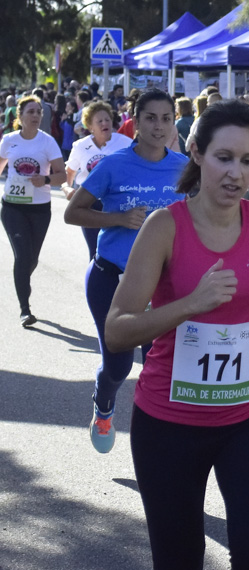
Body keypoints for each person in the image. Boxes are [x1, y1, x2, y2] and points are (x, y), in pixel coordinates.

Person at [102, 99, 249, 570]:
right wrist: (189, 304)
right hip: (170, 423)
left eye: (248, 161)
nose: (236, 173)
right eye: (223, 157)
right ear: (195, 153)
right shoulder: (164, 227)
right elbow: (117, 329)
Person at [64, 89, 189, 453]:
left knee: (158, 366)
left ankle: (156, 440)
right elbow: (73, 212)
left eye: (166, 118)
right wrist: (117, 218)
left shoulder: (182, 167)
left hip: (161, 284)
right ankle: (103, 405)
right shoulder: (114, 164)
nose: (159, 125)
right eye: (151, 117)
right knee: (118, 366)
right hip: (111, 278)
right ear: (135, 120)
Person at [0, 96, 64, 327]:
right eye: (31, 112)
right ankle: (25, 309)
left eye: (39, 112)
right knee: (22, 255)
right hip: (12, 207)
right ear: (20, 116)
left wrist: (45, 178)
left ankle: (21, 281)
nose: (36, 116)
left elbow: (62, 175)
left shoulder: (47, 142)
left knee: (32, 259)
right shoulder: (9, 140)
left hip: (39, 209)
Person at [62, 100, 133, 260]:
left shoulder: (125, 143)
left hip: (117, 203)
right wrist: (67, 188)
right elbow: (70, 172)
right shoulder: (80, 146)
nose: (104, 123)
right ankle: (94, 282)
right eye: (99, 121)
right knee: (95, 250)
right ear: (90, 126)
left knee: (117, 250)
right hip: (89, 204)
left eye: (107, 119)